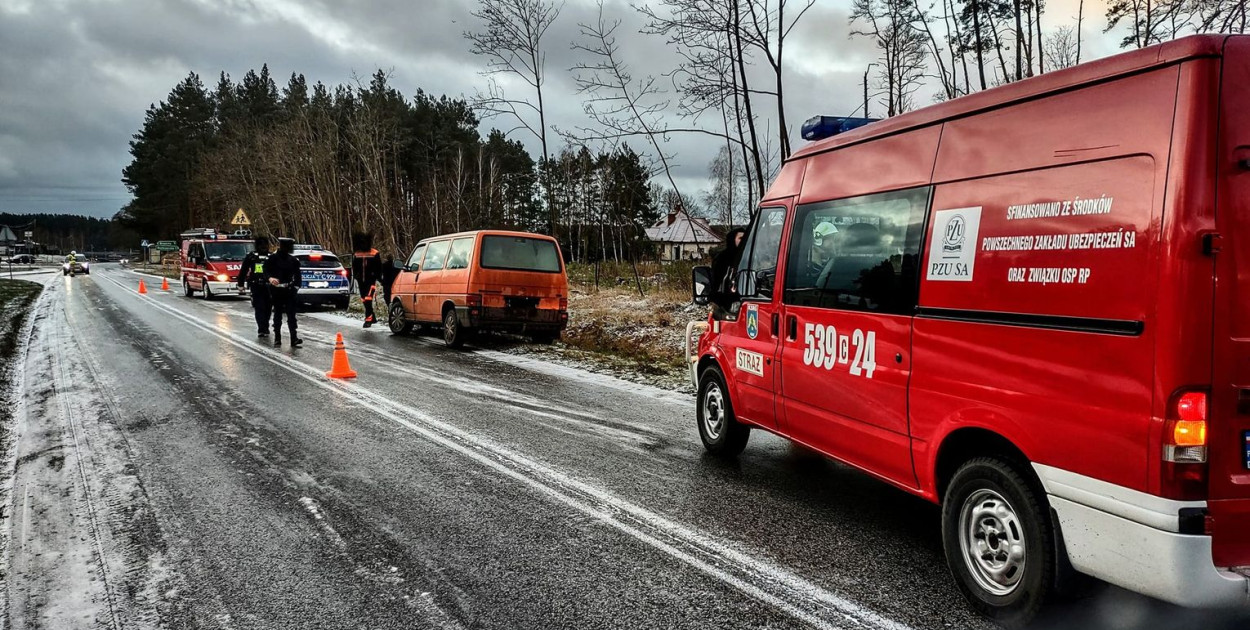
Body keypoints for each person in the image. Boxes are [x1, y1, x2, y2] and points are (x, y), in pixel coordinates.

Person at [264, 238, 303, 347]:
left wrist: (295, 287)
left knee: (291, 315)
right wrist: (270, 278)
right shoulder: (272, 259)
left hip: (289, 290)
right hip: (276, 290)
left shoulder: (293, 260)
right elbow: (265, 271)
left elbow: (298, 276)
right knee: (278, 314)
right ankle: (277, 338)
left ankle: (294, 338)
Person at [236, 236, 273, 337]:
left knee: (265, 308)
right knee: (262, 307)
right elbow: (243, 271)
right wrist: (240, 284)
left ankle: (264, 327)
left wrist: (240, 284)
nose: (263, 247)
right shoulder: (252, 257)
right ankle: (263, 328)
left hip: (266, 286)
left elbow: (243, 271)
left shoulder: (270, 257)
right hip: (258, 285)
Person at [709, 228, 746, 317]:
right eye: (740, 238)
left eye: (745, 238)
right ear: (733, 239)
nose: (743, 241)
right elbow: (716, 280)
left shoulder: (750, 257)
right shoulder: (723, 258)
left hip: (746, 299)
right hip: (726, 303)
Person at [351, 232, 383, 328]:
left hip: (370, 280)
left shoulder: (374, 253)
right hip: (361, 280)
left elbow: (379, 267)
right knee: (363, 299)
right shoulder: (357, 254)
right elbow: (354, 266)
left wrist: (377, 276)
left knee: (368, 298)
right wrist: (356, 276)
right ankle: (372, 317)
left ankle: (368, 319)